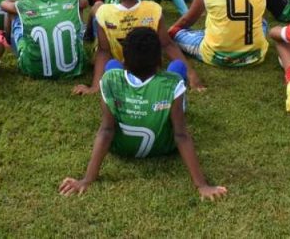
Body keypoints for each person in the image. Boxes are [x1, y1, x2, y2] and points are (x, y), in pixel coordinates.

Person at [59, 27, 226, 200]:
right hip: (164, 147)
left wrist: (87, 179)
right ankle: (173, 104)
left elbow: (106, 130)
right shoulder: (173, 84)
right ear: (159, 61)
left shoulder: (109, 80)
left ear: (125, 61)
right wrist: (202, 185)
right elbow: (181, 134)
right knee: (177, 67)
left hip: (122, 148)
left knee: (110, 66)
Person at [73, 0, 202, 95]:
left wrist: (95, 87)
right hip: (147, 67)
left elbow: (103, 52)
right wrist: (192, 74)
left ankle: (87, 35)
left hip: (118, 66)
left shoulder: (104, 13)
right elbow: (168, 45)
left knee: (97, 6)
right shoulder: (154, 10)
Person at [0, 0, 88, 79]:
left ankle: (9, 39)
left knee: (15, 15)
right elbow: (84, 2)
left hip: (33, 70)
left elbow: (4, 5)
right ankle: (78, 38)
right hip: (76, 66)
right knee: (77, 11)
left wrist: (14, 3)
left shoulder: (24, 4)